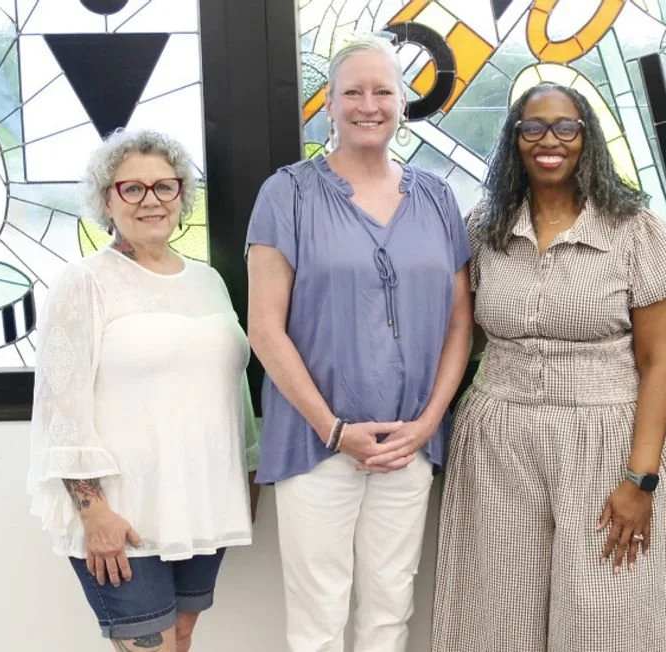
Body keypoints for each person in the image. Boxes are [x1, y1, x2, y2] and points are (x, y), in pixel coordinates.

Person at [432, 82, 666, 651]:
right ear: (514, 140)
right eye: (533, 127)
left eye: (566, 126)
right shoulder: (483, 226)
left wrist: (641, 479)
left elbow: (660, 362)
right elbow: (463, 332)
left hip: (606, 443)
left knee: (606, 622)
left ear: (588, 138)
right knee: (503, 617)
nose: (549, 140)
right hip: (498, 444)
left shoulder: (634, 228)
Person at [245, 35, 472, 652]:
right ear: (329, 103)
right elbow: (265, 328)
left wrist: (427, 424)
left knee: (390, 611)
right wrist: (334, 427)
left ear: (403, 103)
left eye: (382, 91)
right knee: (318, 617)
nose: (367, 104)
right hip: (318, 442)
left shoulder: (437, 197)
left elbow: (460, 322)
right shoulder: (286, 193)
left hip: (407, 444)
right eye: (353, 91)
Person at [26, 128, 259, 652]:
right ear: (107, 199)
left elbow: (232, 386)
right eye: (132, 188)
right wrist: (94, 512)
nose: (150, 200)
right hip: (121, 513)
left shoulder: (209, 281)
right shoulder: (84, 282)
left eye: (164, 186)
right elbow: (61, 407)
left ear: (182, 195)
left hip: (200, 503)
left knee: (181, 637)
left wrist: (248, 474)